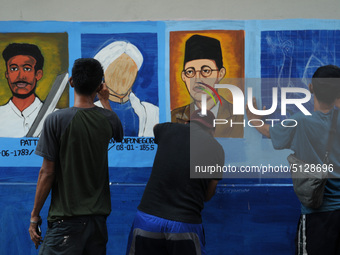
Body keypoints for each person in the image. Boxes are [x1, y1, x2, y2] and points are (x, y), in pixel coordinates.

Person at [28, 58, 123, 254]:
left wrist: (34, 216)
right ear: (99, 85)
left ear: (71, 82)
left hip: (66, 223)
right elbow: (118, 133)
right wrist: (104, 100)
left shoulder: (56, 119)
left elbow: (47, 173)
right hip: (97, 223)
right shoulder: (109, 119)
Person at [246, 65, 340, 255]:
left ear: (310, 87)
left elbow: (267, 131)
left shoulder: (300, 122)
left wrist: (253, 117)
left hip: (315, 215)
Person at [126, 110, 225, 255]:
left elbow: (155, 128)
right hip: (184, 224)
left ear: (187, 123)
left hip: (148, 220)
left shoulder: (168, 129)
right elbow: (208, 195)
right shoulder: (217, 149)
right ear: (212, 129)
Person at [171, 34, 244, 138]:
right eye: (190, 72)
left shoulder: (239, 117)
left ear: (221, 73)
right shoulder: (174, 117)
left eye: (206, 71)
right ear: (183, 76)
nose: (197, 79)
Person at [94, 41, 159, 137]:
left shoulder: (152, 112)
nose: (123, 77)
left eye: (130, 71)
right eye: (116, 70)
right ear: (104, 74)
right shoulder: (91, 113)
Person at [0, 43, 45, 137]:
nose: (20, 76)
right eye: (14, 68)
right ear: (7, 74)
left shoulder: (55, 116)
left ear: (38, 74)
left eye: (27, 69)